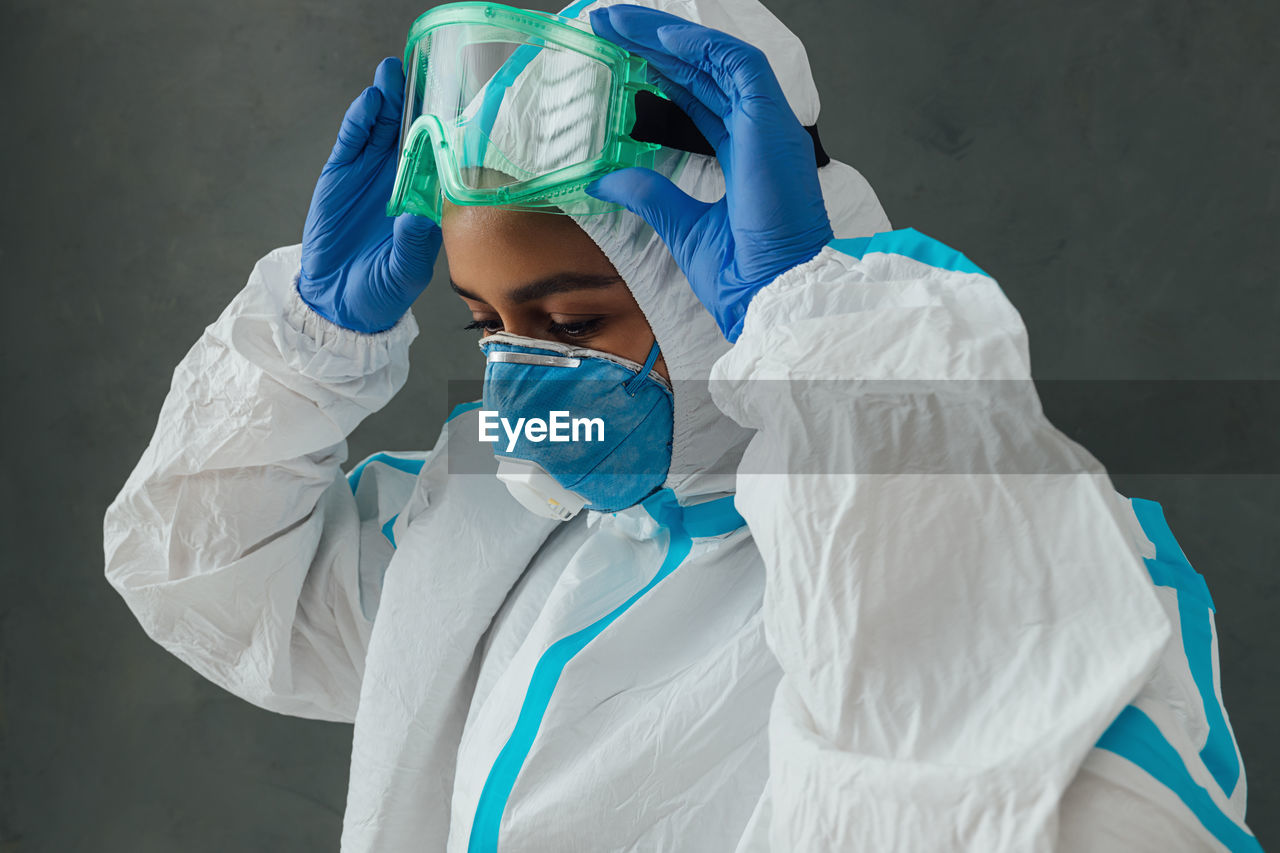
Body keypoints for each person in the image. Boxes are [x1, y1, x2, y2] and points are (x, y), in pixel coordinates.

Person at [103, 0, 1259, 850]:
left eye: (570, 317)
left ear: (722, 278)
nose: (519, 383)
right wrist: (307, 343)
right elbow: (209, 577)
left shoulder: (1016, 559)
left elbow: (988, 793)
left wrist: (821, 341)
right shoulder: (492, 525)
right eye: (483, 325)